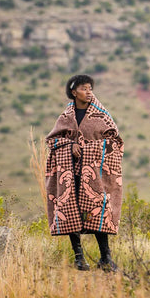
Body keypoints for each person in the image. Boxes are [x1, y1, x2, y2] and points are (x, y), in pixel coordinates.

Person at [45, 74, 124, 271]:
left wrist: (90, 149)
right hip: (70, 172)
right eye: (84, 88)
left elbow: (116, 141)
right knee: (71, 208)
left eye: (90, 88)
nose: (88, 92)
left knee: (99, 208)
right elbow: (52, 141)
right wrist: (69, 145)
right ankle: (79, 257)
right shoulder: (65, 117)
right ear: (74, 92)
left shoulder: (101, 115)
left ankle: (105, 257)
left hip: (95, 173)